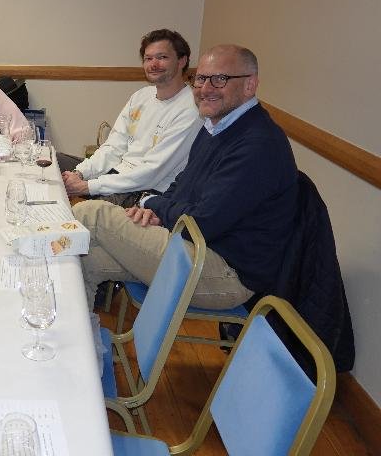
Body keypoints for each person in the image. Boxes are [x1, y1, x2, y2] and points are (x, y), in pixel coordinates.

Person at [72, 45, 298, 311]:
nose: (205, 88)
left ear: (250, 84)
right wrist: (155, 208)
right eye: (201, 78)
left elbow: (203, 222)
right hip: (191, 243)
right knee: (83, 260)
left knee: (92, 214)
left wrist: (151, 203)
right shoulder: (216, 125)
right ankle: (75, 338)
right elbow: (183, 180)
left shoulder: (257, 144)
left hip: (224, 272)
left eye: (220, 79)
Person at [63, 29, 202, 208]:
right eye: (148, 58)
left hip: (143, 189)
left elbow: (151, 173)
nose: (154, 64)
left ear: (182, 61)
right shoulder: (141, 96)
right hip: (116, 174)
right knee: (55, 164)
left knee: (81, 211)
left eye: (162, 57)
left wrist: (87, 186)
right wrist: (80, 173)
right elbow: (114, 146)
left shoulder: (191, 109)